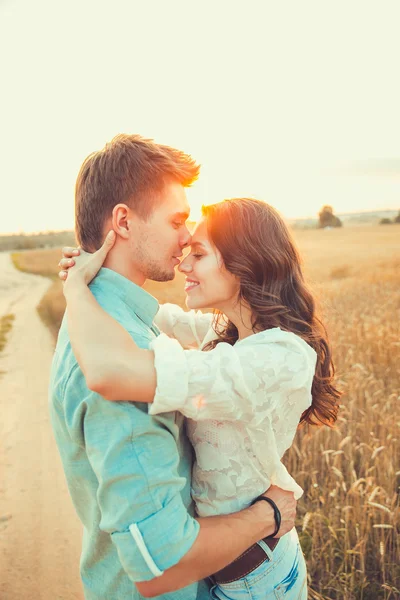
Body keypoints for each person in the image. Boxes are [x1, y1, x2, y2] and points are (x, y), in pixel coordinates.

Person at [49, 134, 298, 600]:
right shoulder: (113, 353)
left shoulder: (102, 322)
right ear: (123, 221)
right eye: (177, 220)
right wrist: (270, 515)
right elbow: (160, 567)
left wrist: (80, 286)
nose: (187, 239)